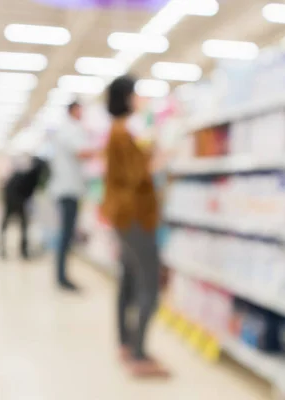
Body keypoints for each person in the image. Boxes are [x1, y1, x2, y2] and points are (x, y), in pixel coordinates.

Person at [101, 75, 168, 377]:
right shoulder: (124, 132)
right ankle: (139, 353)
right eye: (136, 94)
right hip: (135, 217)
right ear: (127, 97)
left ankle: (126, 344)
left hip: (122, 216)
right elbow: (137, 176)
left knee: (127, 279)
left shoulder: (116, 131)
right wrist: (155, 156)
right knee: (149, 285)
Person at [49, 101, 97, 291]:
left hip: (67, 189)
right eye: (80, 110)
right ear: (73, 111)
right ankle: (62, 277)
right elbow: (82, 152)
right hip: (68, 190)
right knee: (66, 235)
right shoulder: (71, 129)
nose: (82, 114)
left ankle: (62, 275)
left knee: (66, 234)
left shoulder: (66, 130)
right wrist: (104, 148)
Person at [0, 154, 49, 260]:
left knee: (13, 223)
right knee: (19, 224)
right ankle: (19, 250)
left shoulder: (29, 173)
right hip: (14, 197)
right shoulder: (33, 175)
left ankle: (19, 250)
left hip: (14, 197)